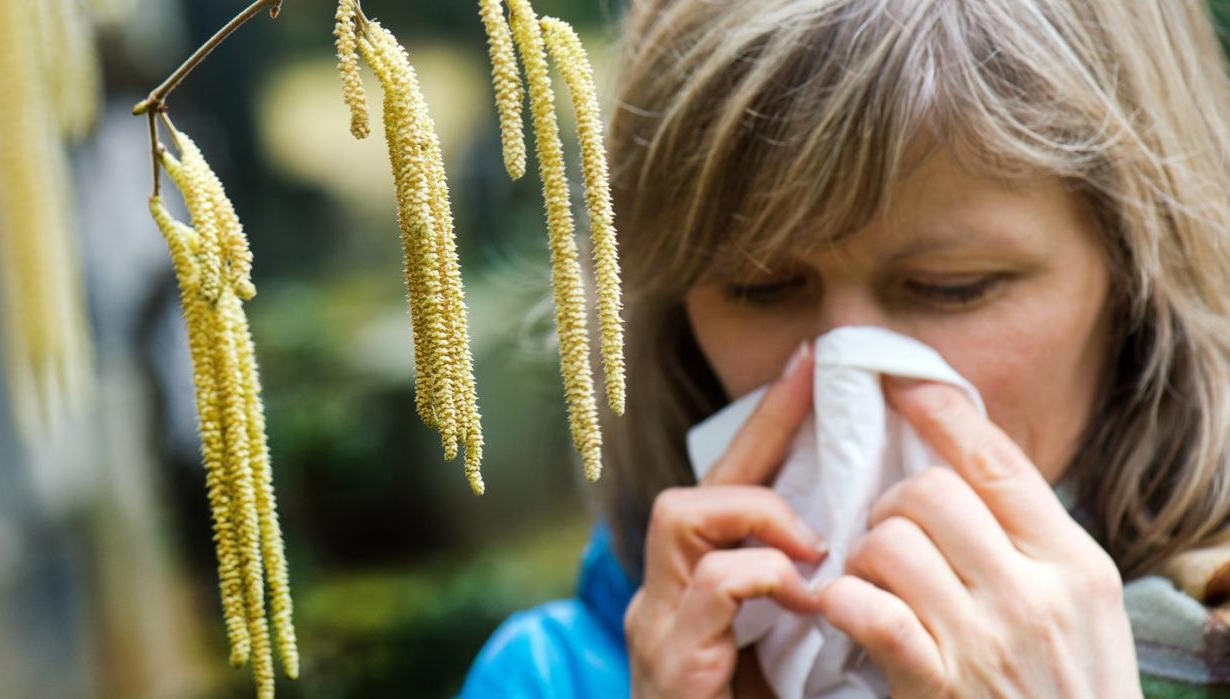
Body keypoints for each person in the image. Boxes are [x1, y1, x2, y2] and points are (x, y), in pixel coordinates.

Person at [461, 0, 1230, 696]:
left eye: (952, 286)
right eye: (758, 288)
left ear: (1136, 281)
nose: (842, 373)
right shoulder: (551, 676)